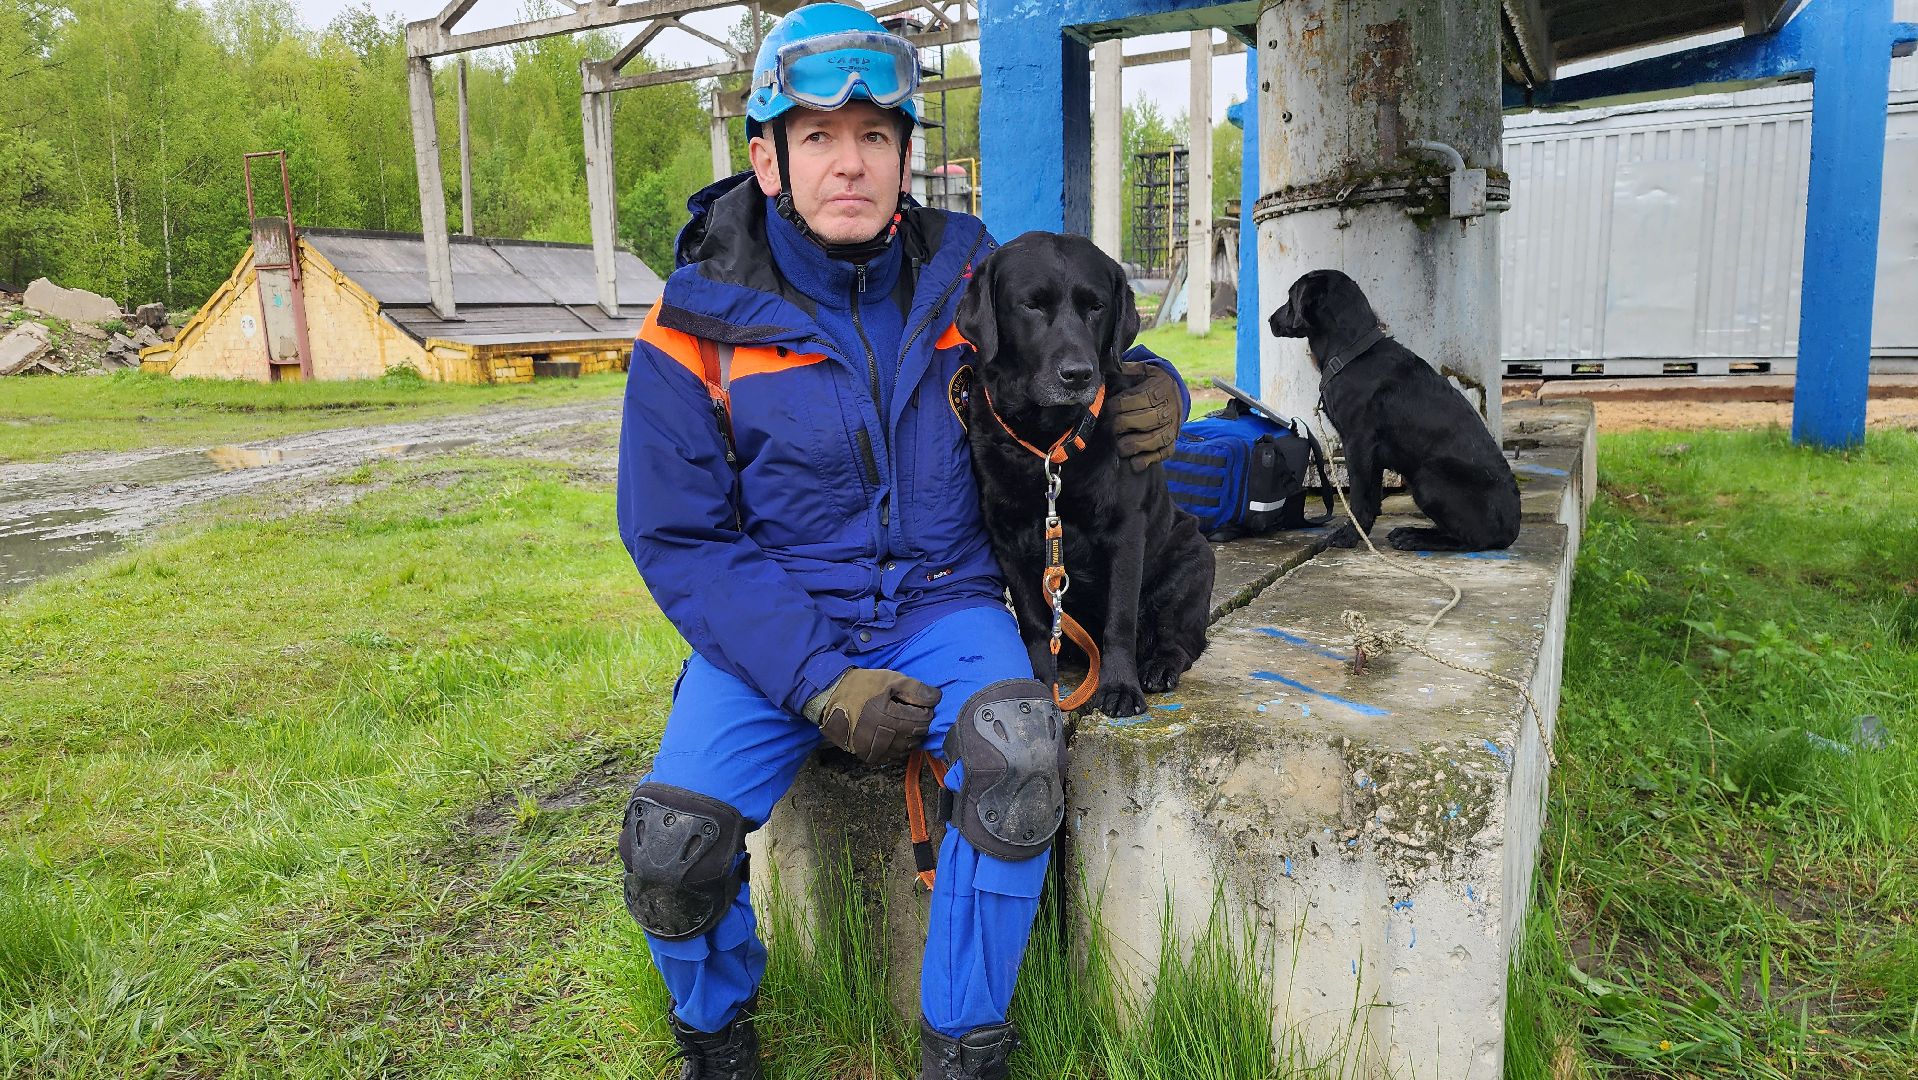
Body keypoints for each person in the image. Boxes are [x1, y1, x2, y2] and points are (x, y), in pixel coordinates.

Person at [613, 6, 1187, 1077]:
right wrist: (822, 682)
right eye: (819, 135)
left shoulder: (962, 272)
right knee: (672, 842)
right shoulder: (692, 322)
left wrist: (1159, 386)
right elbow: (678, 537)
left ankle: (964, 1047)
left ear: (906, 155)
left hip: (942, 598)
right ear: (766, 157)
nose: (850, 163)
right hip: (775, 621)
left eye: (874, 135)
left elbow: (1067, 350)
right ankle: (717, 1037)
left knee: (1016, 762)